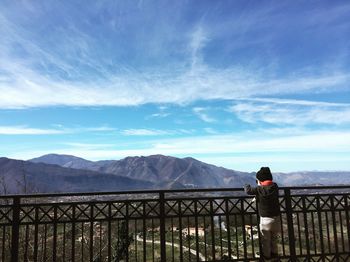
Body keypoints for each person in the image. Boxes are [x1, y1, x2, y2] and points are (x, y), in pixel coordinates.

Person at [244, 167, 281, 260]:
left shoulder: (259, 189)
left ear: (259, 180)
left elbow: (248, 191)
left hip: (265, 219)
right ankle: (275, 255)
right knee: (274, 239)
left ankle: (267, 257)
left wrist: (246, 185)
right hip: (276, 218)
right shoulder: (275, 187)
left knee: (265, 240)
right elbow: (268, 185)